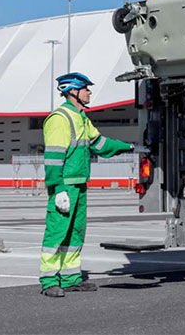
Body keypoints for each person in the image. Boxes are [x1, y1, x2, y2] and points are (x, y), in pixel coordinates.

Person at [39, 72, 146, 297]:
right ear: (73, 92)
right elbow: (53, 158)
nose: (89, 92)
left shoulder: (82, 118)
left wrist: (129, 147)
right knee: (57, 233)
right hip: (64, 186)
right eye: (86, 88)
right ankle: (49, 281)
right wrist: (57, 189)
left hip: (79, 184)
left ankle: (70, 278)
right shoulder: (60, 118)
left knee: (76, 234)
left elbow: (100, 144)